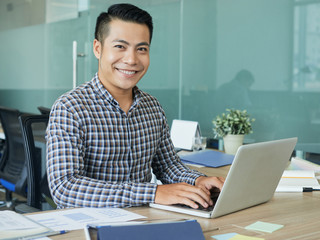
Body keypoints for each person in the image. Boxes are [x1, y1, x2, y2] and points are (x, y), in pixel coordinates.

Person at [46, 3, 224, 209]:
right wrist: (153, 193)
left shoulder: (152, 107)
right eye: (120, 46)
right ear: (98, 48)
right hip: (89, 226)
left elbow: (168, 166)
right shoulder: (70, 108)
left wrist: (198, 181)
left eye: (141, 49)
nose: (131, 59)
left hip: (144, 219)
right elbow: (65, 188)